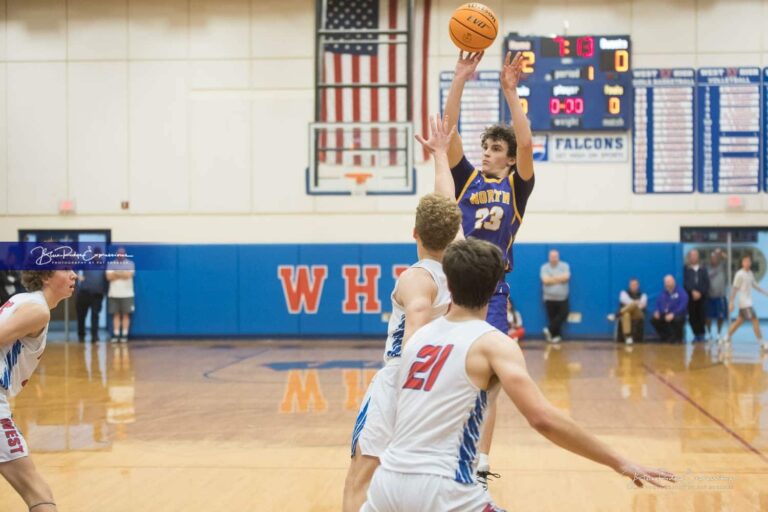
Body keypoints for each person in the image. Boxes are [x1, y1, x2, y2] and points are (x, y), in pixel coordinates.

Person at [361, 239, 674, 511]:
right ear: (498, 289)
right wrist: (620, 463)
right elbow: (542, 419)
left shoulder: (416, 339)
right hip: (444, 487)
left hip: (386, 482)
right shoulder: (494, 344)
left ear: (450, 285)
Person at [342, 116, 463, 512]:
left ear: (414, 233)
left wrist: (413, 372)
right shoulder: (459, 258)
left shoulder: (416, 278)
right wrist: (440, 156)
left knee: (361, 479)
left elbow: (417, 312)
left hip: (401, 380)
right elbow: (447, 200)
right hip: (440, 384)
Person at [442, 50, 535, 484]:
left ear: (510, 159)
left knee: (491, 377)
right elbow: (450, 132)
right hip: (453, 286)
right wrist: (460, 78)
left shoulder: (517, 187)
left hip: (493, 290)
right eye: (486, 146)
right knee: (447, 368)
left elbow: (527, 143)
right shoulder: (466, 179)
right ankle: (443, 447)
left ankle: (479, 459)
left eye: (496, 148)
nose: (487, 152)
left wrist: (511, 94)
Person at [0, 269, 77, 512]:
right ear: (46, 277)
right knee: (38, 492)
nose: (74, 275)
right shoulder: (37, 309)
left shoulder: (23, 301)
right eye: (66, 269)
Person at [722, 255, 768, 350]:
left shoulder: (750, 273)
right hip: (745, 303)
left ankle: (726, 337)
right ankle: (762, 343)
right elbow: (734, 289)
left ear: (750, 263)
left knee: (739, 321)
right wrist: (731, 302)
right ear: (742, 263)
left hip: (747, 302)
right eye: (745, 261)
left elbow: (755, 285)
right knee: (755, 320)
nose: (747, 263)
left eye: (748, 261)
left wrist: (765, 293)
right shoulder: (739, 274)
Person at [76, 247, 107, 343]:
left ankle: (95, 336)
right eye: (95, 254)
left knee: (95, 316)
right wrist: (78, 276)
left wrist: (105, 291)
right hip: (84, 293)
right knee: (81, 316)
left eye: (99, 254)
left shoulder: (103, 265)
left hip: (97, 295)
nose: (97, 256)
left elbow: (107, 279)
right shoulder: (86, 262)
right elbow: (74, 268)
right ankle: (81, 335)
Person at [541, 249, 570, 343]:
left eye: (555, 256)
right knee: (552, 318)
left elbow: (566, 277)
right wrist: (559, 278)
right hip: (549, 298)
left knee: (563, 314)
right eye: (552, 256)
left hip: (562, 298)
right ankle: (555, 337)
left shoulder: (564, 266)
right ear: (549, 257)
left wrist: (551, 279)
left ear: (558, 257)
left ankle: (548, 329)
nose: (553, 258)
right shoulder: (544, 267)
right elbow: (545, 281)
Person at [106, 248, 135, 343]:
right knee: (116, 315)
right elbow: (109, 277)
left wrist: (116, 273)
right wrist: (122, 273)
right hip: (114, 294)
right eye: (119, 253)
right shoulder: (111, 264)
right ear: (116, 254)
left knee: (126, 315)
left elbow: (128, 275)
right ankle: (116, 334)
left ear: (125, 254)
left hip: (127, 294)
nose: (121, 255)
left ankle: (124, 335)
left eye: (122, 253)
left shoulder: (130, 264)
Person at [651, 275, 688, 343]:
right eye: (665, 282)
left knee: (677, 320)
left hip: (678, 314)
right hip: (665, 314)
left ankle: (677, 338)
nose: (667, 284)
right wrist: (657, 311)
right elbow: (658, 303)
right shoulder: (663, 293)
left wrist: (673, 314)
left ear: (673, 282)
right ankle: (665, 337)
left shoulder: (681, 292)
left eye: (668, 282)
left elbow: (683, 305)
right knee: (654, 319)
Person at [683, 249, 710, 342]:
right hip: (690, 297)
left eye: (695, 255)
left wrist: (700, 293)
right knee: (692, 317)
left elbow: (706, 282)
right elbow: (685, 282)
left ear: (698, 257)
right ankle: (696, 335)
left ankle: (702, 335)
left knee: (702, 316)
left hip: (702, 298)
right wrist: (692, 291)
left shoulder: (703, 269)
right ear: (689, 257)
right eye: (692, 255)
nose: (693, 257)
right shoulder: (686, 269)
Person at [615, 278, 647, 345]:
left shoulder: (644, 295)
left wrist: (634, 304)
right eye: (632, 285)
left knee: (632, 305)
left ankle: (617, 314)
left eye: (635, 285)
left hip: (638, 314)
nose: (633, 286)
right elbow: (624, 300)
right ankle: (628, 337)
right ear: (629, 285)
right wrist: (636, 303)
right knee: (626, 314)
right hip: (627, 313)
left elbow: (641, 307)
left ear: (638, 285)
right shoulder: (623, 293)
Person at [706, 249, 728, 342]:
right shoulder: (706, 269)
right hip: (709, 297)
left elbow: (727, 259)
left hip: (720, 297)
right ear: (710, 259)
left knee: (720, 317)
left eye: (715, 258)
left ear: (718, 259)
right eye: (712, 258)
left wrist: (721, 253)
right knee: (708, 316)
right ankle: (709, 334)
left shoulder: (723, 267)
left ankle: (719, 334)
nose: (714, 259)